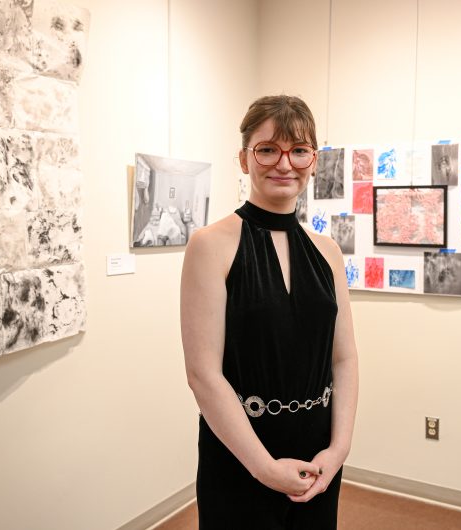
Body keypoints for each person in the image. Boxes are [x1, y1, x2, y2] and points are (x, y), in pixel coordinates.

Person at [180, 95, 359, 529]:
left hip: (318, 453)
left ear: (313, 161)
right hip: (240, 452)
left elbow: (344, 358)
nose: (284, 163)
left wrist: (339, 449)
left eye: (298, 150)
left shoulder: (328, 251)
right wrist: (263, 467)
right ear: (244, 159)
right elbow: (203, 374)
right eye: (267, 149)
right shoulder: (210, 245)